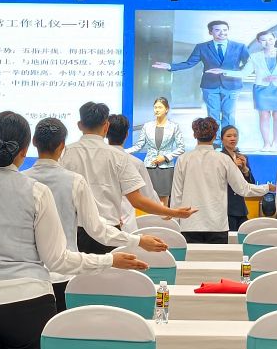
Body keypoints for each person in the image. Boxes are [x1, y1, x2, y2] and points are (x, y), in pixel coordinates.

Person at [0, 111, 150, 349]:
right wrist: (109, 260)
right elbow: (57, 260)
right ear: (25, 149)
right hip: (28, 301)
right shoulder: (36, 192)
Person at [24, 118, 168, 303]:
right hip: (64, 274)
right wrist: (137, 240)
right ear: (62, 146)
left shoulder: (22, 181)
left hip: (28, 278)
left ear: (34, 142)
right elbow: (97, 229)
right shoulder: (74, 181)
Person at [60, 102, 196, 245]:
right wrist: (172, 212)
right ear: (106, 126)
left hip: (74, 231)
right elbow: (137, 200)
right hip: (110, 232)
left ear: (79, 125)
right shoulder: (118, 156)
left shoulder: (65, 153)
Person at [171, 118, 271, 245]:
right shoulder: (224, 159)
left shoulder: (182, 159)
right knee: (218, 258)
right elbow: (243, 188)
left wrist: (175, 224)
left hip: (189, 224)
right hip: (216, 224)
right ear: (215, 136)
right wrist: (267, 187)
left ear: (194, 135)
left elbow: (176, 196)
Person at [151, 19, 249, 131]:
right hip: (210, 86)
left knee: (229, 114)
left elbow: (249, 65)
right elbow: (189, 63)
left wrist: (233, 72)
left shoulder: (240, 47)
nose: (222, 33)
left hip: (232, 85)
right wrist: (170, 66)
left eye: (225, 30)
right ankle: (215, 140)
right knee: (213, 115)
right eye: (217, 30)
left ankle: (228, 139)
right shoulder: (202, 47)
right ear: (210, 32)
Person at [235, 30, 277, 151]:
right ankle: (266, 144)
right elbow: (244, 73)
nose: (268, 42)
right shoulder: (255, 56)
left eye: (270, 39)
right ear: (258, 42)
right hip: (261, 89)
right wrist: (223, 72)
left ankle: (276, 144)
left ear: (275, 39)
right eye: (263, 40)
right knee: (264, 116)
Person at [131, 96, 185, 200]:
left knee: (163, 199)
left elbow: (181, 148)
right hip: (149, 165)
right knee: (147, 198)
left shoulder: (174, 126)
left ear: (167, 109)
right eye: (155, 107)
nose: (157, 110)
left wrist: (165, 157)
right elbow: (138, 146)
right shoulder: (147, 126)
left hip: (166, 167)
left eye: (160, 107)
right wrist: (121, 150)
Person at [106, 115, 161, 210]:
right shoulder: (136, 163)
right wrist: (163, 209)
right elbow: (149, 195)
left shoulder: (97, 159)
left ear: (105, 132)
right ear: (127, 134)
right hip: (128, 216)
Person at [220, 124, 258, 233]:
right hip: (225, 207)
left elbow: (250, 184)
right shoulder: (219, 157)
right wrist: (233, 167)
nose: (233, 138)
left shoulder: (242, 157)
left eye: (235, 136)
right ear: (222, 139)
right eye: (229, 136)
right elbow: (218, 180)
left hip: (241, 207)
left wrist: (245, 169)